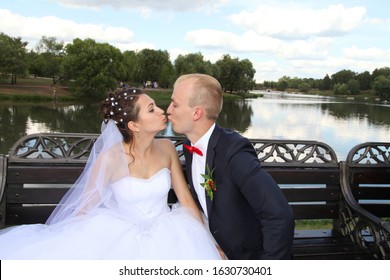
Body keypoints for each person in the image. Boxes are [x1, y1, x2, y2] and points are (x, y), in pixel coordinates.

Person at [0, 87, 221, 260]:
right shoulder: (110, 159)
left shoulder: (167, 148)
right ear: (135, 125)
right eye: (152, 109)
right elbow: (85, 205)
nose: (163, 111)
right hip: (121, 235)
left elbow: (185, 199)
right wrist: (65, 239)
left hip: (171, 231)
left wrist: (209, 242)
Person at [167, 73, 295, 260]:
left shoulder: (234, 152)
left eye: (175, 104)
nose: (168, 110)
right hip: (215, 247)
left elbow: (279, 215)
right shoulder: (191, 147)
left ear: (196, 113)